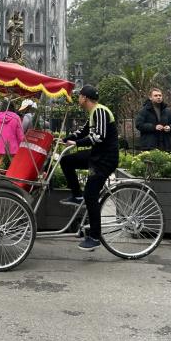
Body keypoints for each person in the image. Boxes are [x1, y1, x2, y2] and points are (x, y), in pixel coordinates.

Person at [59, 85, 119, 252]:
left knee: (91, 195)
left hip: (104, 160)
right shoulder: (93, 113)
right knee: (67, 161)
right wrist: (66, 139)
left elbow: (98, 137)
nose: (78, 99)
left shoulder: (100, 111)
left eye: (79, 96)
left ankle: (94, 236)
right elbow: (83, 132)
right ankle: (76, 195)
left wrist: (77, 143)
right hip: (96, 155)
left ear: (84, 98)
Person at [135, 87, 171, 152]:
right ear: (150, 97)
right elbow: (139, 125)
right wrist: (154, 127)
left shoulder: (168, 111)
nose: (158, 97)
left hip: (166, 145)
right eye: (156, 95)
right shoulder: (144, 111)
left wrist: (170, 127)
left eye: (160, 95)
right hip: (150, 145)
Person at [0, 100, 24, 168]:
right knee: (15, 165)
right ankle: (14, 177)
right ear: (12, 107)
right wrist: (21, 144)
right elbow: (20, 134)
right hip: (12, 144)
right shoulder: (16, 117)